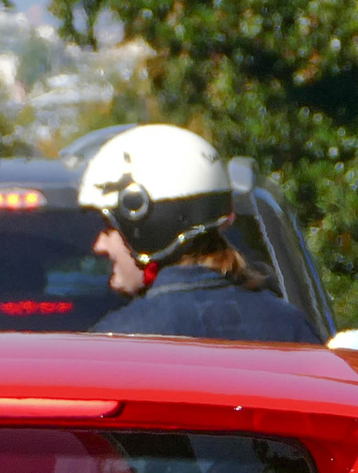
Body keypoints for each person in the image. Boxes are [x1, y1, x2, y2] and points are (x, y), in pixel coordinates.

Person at [76, 124, 321, 344]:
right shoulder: (291, 329)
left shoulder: (115, 342)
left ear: (147, 222)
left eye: (110, 228)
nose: (99, 245)